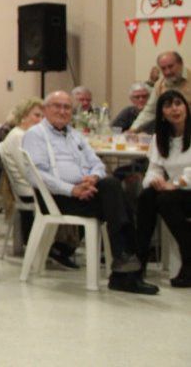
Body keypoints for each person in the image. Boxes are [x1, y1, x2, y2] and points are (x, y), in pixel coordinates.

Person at [22, 91, 159, 294]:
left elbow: (97, 163)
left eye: (67, 107)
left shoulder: (75, 134)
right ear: (45, 110)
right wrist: (72, 190)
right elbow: (37, 175)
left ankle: (126, 268)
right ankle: (126, 270)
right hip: (56, 198)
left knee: (114, 189)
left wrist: (93, 178)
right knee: (116, 195)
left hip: (86, 191)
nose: (62, 111)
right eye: (57, 106)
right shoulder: (36, 135)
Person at [0, 97, 78, 267]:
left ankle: (60, 246)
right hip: (30, 190)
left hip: (34, 187)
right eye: (36, 115)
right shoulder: (19, 137)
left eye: (43, 116)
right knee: (81, 197)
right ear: (23, 116)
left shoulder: (26, 135)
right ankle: (60, 248)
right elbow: (30, 173)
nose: (41, 120)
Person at [136, 90, 191, 287]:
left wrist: (175, 184)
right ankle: (138, 262)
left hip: (185, 189)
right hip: (176, 193)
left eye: (178, 103)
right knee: (147, 196)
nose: (174, 108)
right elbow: (153, 170)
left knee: (165, 199)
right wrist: (155, 181)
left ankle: (189, 257)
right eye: (168, 105)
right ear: (162, 113)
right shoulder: (160, 138)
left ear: (186, 106)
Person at [131, 51, 191, 132]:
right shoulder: (159, 85)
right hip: (171, 133)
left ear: (181, 64)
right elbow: (149, 112)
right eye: (163, 68)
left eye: (170, 67)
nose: (167, 72)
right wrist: (133, 130)